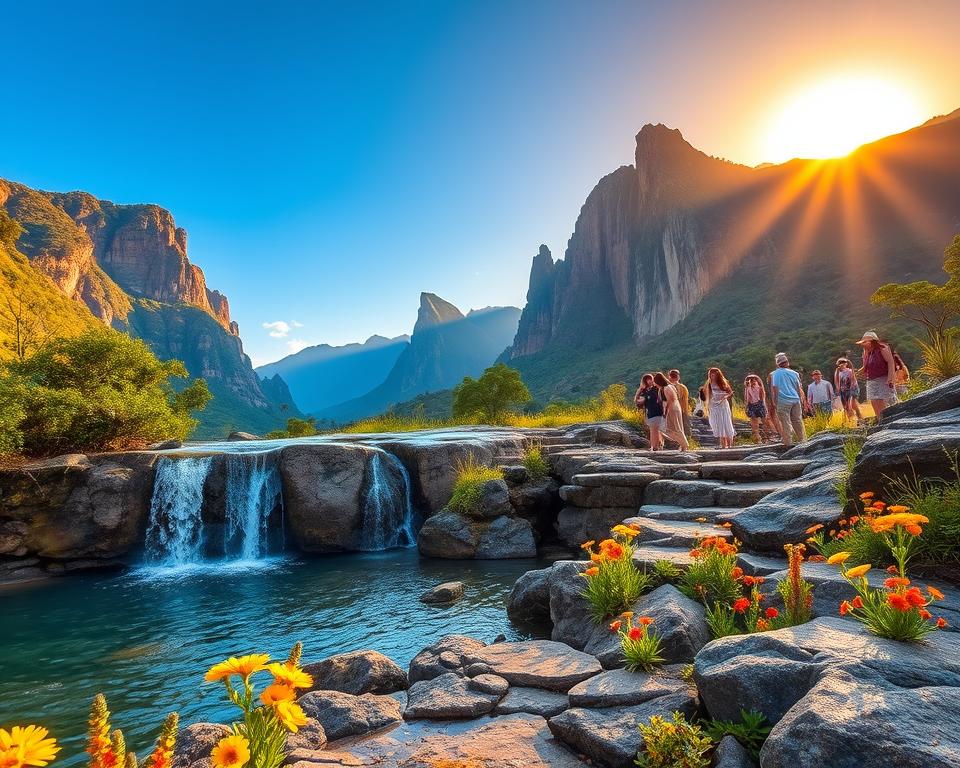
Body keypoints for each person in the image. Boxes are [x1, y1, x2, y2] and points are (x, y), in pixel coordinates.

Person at [856, 330, 897, 421]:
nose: (863, 344)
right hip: (871, 378)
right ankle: (880, 420)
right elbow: (866, 364)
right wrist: (861, 370)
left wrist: (890, 378)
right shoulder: (866, 351)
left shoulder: (883, 348)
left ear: (872, 341)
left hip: (883, 377)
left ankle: (889, 420)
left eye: (865, 342)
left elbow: (890, 362)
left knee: (885, 399)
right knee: (874, 400)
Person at [769, 352, 807, 446]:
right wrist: (800, 399)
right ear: (787, 362)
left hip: (782, 401)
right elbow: (798, 388)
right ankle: (802, 440)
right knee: (797, 420)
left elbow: (775, 388)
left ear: (778, 364)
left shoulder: (775, 374)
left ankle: (788, 442)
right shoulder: (795, 373)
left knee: (785, 422)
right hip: (795, 400)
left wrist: (775, 401)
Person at [655, 371, 689, 451]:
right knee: (677, 427)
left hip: (672, 409)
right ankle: (683, 445)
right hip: (675, 408)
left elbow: (670, 401)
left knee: (674, 428)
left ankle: (684, 445)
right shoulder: (668, 387)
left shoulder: (667, 388)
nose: (655, 384)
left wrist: (666, 411)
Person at [704, 367, 736, 449]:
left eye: (714, 375)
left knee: (726, 422)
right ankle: (723, 444)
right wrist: (707, 406)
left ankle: (730, 444)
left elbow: (730, 392)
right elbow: (708, 395)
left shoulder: (723, 382)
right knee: (718, 424)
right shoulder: (709, 384)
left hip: (723, 405)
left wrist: (725, 397)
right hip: (714, 405)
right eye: (711, 375)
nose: (712, 377)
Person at [634, 373, 664, 450]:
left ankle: (657, 445)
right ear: (645, 381)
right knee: (653, 429)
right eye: (647, 379)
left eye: (651, 379)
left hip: (659, 411)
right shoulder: (644, 391)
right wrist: (639, 390)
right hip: (650, 412)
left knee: (657, 429)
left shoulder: (656, 388)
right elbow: (637, 401)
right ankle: (655, 446)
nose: (650, 381)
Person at [743, 374, 775, 444]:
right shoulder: (750, 387)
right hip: (754, 405)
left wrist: (746, 407)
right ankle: (760, 438)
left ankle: (764, 437)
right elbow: (747, 398)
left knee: (762, 422)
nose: (752, 381)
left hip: (757, 404)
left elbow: (761, 397)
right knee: (757, 423)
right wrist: (746, 406)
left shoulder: (757, 387)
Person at [834, 357, 863, 425]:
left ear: (846, 364)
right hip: (843, 391)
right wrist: (838, 389)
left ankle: (860, 418)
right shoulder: (838, 372)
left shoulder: (849, 371)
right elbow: (836, 381)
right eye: (840, 363)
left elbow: (853, 380)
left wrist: (851, 389)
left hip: (852, 389)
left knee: (852, 404)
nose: (842, 364)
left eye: (843, 363)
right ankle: (850, 420)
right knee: (846, 407)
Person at [668, 369, 692, 439]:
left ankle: (684, 441)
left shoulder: (681, 387)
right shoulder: (681, 387)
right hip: (674, 410)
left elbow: (683, 399)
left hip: (681, 410)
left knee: (683, 427)